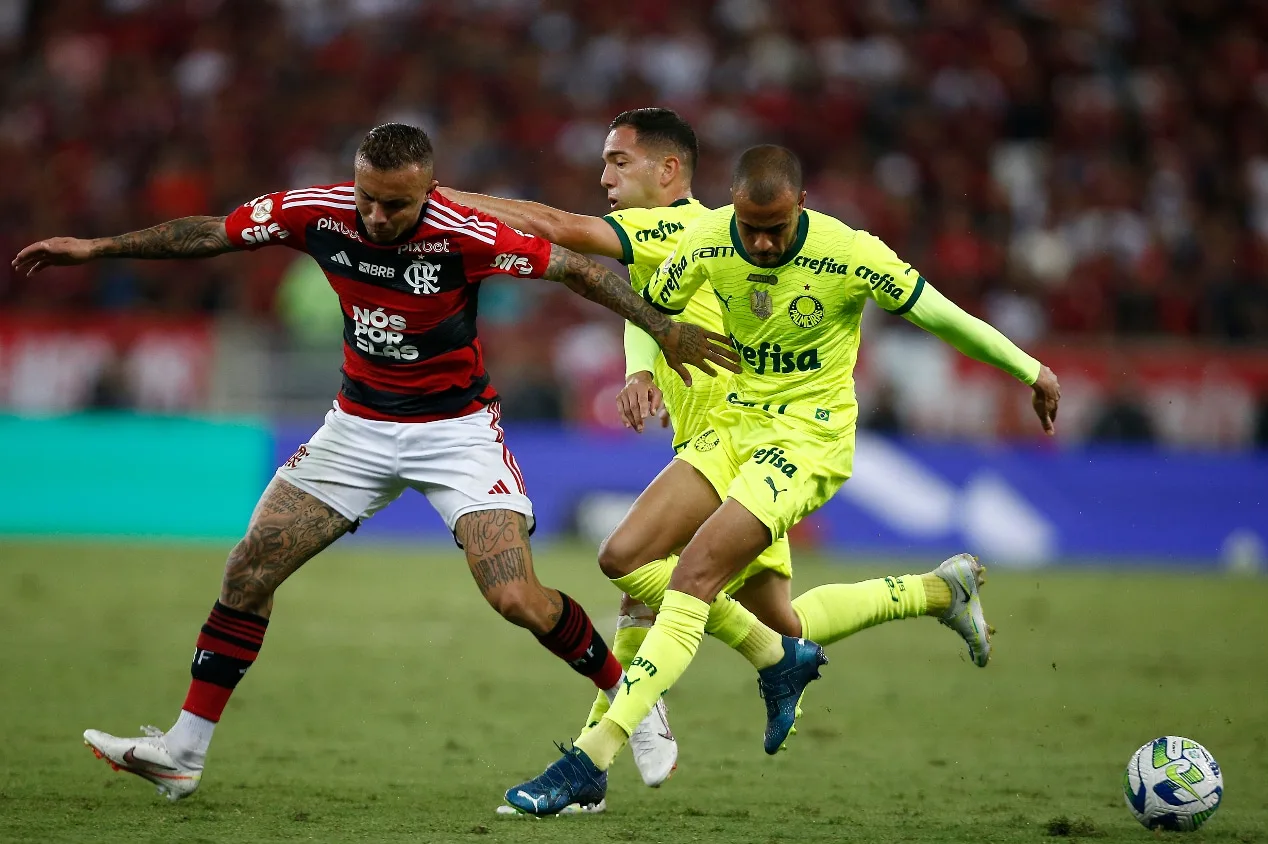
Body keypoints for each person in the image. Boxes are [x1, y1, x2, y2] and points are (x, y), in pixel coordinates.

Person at [11, 123, 740, 802]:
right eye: (369, 199)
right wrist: (98, 249)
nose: (379, 217)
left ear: (427, 192)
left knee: (516, 598)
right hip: (356, 427)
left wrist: (660, 330)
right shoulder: (315, 213)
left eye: (396, 205)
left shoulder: (467, 234)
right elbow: (212, 233)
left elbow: (577, 270)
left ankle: (633, 701)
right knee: (248, 568)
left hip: (457, 433)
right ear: (352, 182)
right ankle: (184, 750)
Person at [444, 109, 1005, 801]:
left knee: (648, 583)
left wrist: (434, 202)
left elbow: (560, 228)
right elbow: (651, 307)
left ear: (668, 171)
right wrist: (638, 369)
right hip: (720, 444)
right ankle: (933, 592)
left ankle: (599, 758)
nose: (605, 177)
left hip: (749, 447)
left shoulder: (682, 225)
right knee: (776, 617)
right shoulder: (691, 244)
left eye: (619, 163)